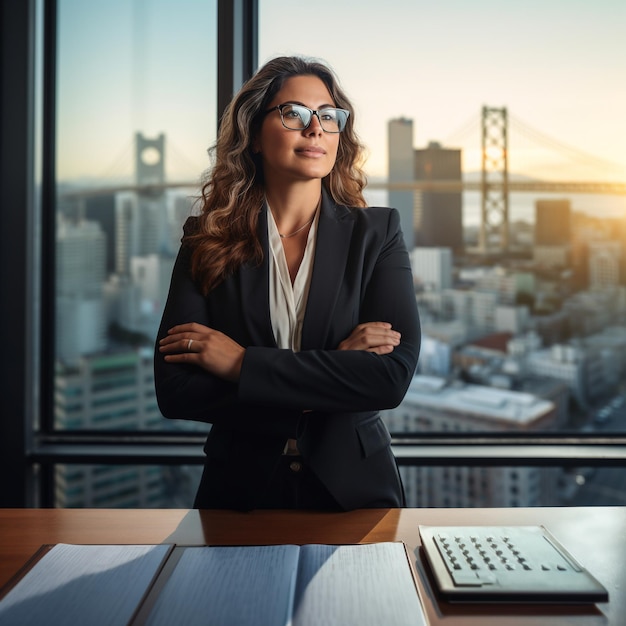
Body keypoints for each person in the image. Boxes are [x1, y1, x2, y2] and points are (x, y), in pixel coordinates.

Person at [155, 56, 420, 511]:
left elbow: (389, 381)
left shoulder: (377, 234)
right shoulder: (207, 239)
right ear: (254, 135)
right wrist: (334, 371)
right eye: (294, 113)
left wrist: (241, 365)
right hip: (238, 493)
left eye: (328, 116)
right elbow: (176, 389)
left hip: (356, 494)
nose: (315, 128)